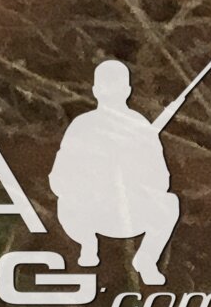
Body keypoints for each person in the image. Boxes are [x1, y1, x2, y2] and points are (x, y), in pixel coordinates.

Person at [52, 59, 182, 285]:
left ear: (127, 91)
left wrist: (134, 170)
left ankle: (146, 260)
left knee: (169, 203)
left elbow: (161, 180)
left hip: (131, 212)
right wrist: (90, 181)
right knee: (65, 203)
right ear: (96, 91)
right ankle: (88, 244)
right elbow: (59, 177)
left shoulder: (140, 127)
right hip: (91, 212)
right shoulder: (82, 126)